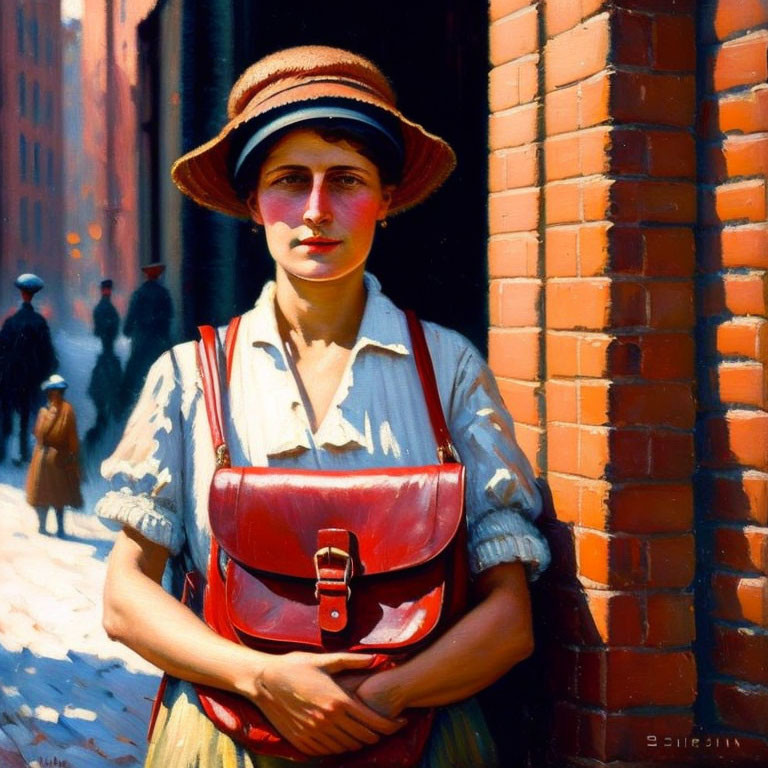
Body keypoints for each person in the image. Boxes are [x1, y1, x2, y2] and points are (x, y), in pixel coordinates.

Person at [98, 46, 550, 768]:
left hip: (418, 742)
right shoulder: (188, 377)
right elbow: (125, 596)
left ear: (388, 198)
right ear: (252, 203)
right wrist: (261, 677)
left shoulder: (449, 370)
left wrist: (380, 702)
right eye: (288, 181)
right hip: (224, 740)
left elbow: (509, 618)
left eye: (346, 181)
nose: (316, 211)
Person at [0, 274, 58, 465]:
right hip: (29, 376)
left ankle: (3, 451)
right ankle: (24, 453)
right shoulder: (39, 322)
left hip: (10, 376)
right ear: (34, 296)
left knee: (8, 412)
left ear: (21, 295)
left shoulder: (11, 322)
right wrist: (47, 371)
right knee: (26, 415)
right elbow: (47, 352)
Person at [26, 374, 83, 537]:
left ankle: (57, 529)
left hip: (53, 457)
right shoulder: (50, 411)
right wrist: (73, 454)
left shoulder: (61, 411)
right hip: (49, 457)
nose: (55, 395)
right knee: (48, 494)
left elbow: (39, 433)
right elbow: (39, 433)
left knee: (54, 495)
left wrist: (72, 454)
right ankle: (46, 527)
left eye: (57, 392)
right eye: (53, 392)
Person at [120, 262, 173, 413]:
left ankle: (127, 403)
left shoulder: (139, 293)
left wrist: (128, 329)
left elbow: (131, 317)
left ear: (147, 275)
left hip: (142, 338)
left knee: (134, 369)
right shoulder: (163, 294)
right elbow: (168, 317)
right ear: (158, 275)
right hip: (157, 340)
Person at [86, 279, 123, 448]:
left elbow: (97, 330)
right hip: (107, 351)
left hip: (107, 351)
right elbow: (104, 330)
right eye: (106, 290)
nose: (107, 292)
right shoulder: (105, 308)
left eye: (108, 289)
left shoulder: (101, 308)